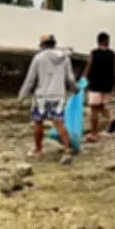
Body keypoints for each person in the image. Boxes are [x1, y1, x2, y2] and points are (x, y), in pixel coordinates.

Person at [18, 34, 78, 163]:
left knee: (38, 122)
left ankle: (39, 150)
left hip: (41, 96)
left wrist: (22, 95)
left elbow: (30, 79)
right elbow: (70, 78)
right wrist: (75, 88)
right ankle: (67, 149)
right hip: (58, 95)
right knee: (59, 122)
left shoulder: (38, 58)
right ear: (54, 43)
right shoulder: (64, 58)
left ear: (42, 45)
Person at [83, 31, 115, 142]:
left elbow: (88, 67)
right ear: (106, 41)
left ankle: (94, 134)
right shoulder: (112, 54)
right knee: (101, 107)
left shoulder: (93, 53)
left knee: (94, 110)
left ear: (98, 41)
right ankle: (112, 119)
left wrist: (83, 79)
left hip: (95, 85)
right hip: (107, 86)